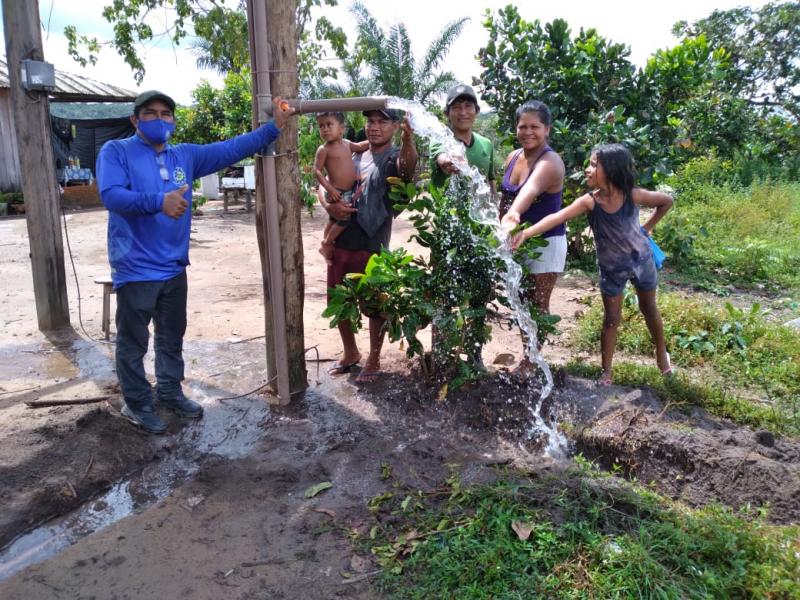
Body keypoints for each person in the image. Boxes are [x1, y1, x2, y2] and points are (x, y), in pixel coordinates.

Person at [97, 90, 295, 433]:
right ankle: (138, 404)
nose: (159, 120)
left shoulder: (184, 156)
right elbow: (111, 195)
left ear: (173, 121)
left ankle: (170, 392)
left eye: (166, 114)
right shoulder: (117, 151)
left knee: (171, 336)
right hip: (136, 266)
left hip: (174, 266)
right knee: (133, 341)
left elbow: (231, 148)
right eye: (150, 113)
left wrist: (272, 127)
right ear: (135, 119)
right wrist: (158, 202)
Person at [510, 143, 674, 385]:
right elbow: (557, 217)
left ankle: (662, 356)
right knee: (611, 318)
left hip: (642, 262)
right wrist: (526, 233)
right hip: (611, 270)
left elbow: (666, 201)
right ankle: (606, 371)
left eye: (594, 165)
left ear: (612, 169)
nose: (587, 170)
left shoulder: (632, 195)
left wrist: (646, 228)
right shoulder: (590, 201)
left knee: (649, 309)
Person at [319, 108, 418, 384]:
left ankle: (374, 358)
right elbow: (323, 184)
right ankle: (351, 352)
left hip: (372, 242)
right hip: (342, 241)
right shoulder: (352, 153)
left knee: (375, 304)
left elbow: (407, 169)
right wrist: (329, 205)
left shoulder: (392, 158)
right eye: (370, 121)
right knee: (338, 301)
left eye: (382, 122)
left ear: (396, 126)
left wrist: (409, 142)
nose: (374, 127)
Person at [499, 100, 567, 371]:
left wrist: (514, 215)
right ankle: (528, 353)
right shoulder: (513, 156)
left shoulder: (550, 162)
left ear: (547, 129)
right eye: (522, 126)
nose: (528, 132)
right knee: (521, 300)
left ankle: (530, 361)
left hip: (545, 242)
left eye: (535, 127)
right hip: (516, 240)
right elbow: (504, 199)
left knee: (538, 303)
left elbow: (531, 190)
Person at [314, 111, 369, 265]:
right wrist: (330, 189)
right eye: (321, 126)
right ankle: (327, 243)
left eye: (329, 125)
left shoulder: (347, 144)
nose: (324, 129)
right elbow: (317, 171)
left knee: (333, 220)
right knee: (345, 219)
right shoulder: (324, 149)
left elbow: (359, 146)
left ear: (342, 128)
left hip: (347, 191)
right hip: (337, 192)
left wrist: (370, 142)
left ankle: (324, 243)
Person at [430, 83, 495, 196]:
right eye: (456, 107)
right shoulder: (439, 139)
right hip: (446, 212)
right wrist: (448, 161)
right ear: (447, 113)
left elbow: (490, 180)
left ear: (477, 111)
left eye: (468, 106)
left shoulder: (487, 144)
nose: (463, 112)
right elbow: (442, 157)